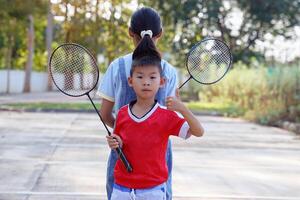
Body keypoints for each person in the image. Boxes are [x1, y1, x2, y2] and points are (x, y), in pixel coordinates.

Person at [106, 29, 204, 200]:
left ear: (162, 82)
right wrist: (116, 142)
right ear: (130, 81)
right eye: (140, 76)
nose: (146, 82)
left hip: (153, 189)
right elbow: (123, 142)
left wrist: (182, 108)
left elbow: (198, 131)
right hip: (121, 186)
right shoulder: (122, 114)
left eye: (152, 77)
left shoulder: (166, 117)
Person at [97, 7, 178, 200]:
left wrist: (128, 127)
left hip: (122, 154)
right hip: (157, 163)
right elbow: (173, 116)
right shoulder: (168, 71)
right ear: (160, 34)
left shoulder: (117, 67)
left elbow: (105, 115)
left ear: (129, 33)